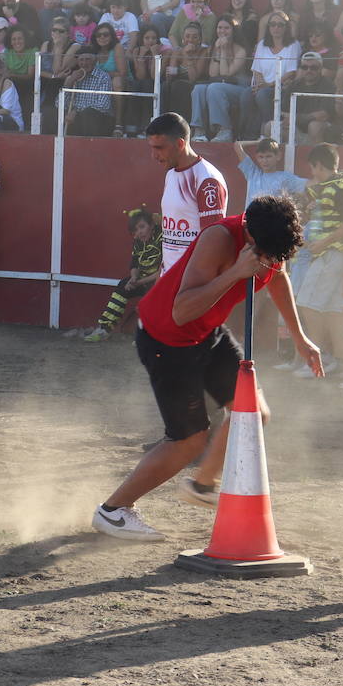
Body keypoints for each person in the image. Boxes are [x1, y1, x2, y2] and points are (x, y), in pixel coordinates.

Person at [91, 194, 321, 540]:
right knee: (189, 440)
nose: (271, 261)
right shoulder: (218, 238)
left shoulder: (269, 239)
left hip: (207, 333)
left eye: (277, 255)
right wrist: (236, 273)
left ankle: (202, 485)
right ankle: (113, 511)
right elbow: (182, 310)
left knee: (252, 412)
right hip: (166, 339)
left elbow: (276, 277)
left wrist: (300, 337)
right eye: (266, 254)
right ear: (249, 233)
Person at [292, 142, 343, 379]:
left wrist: (324, 242)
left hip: (332, 254)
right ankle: (342, 363)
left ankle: (318, 358)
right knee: (332, 309)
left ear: (318, 166)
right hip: (334, 255)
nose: (312, 173)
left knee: (307, 303)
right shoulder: (334, 188)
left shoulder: (338, 189)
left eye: (313, 168)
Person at [148, 112, 227, 273]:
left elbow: (214, 243)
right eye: (152, 148)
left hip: (192, 283)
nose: (154, 155)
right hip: (169, 278)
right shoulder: (171, 174)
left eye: (159, 148)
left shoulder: (207, 180)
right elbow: (171, 241)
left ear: (179, 144)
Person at [84, 206, 163, 343]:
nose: (139, 232)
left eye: (142, 227)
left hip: (160, 281)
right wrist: (133, 278)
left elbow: (163, 270)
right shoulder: (138, 241)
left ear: (151, 224)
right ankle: (105, 329)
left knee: (153, 296)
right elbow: (134, 264)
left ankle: (148, 336)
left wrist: (139, 282)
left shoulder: (162, 237)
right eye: (136, 230)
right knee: (122, 286)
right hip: (143, 280)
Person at [201, 17, 254, 142]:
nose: (222, 31)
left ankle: (225, 130)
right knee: (198, 89)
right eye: (220, 28)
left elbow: (226, 74)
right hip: (221, 85)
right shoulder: (216, 46)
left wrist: (223, 50)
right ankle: (199, 131)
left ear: (233, 30)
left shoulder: (241, 50)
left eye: (226, 28)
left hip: (241, 88)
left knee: (214, 88)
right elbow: (213, 74)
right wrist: (218, 51)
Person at [60, 47, 115, 137]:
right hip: (75, 119)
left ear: (95, 61)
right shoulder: (73, 77)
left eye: (88, 59)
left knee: (88, 114)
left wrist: (76, 112)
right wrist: (69, 82)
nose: (84, 63)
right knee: (50, 112)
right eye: (81, 60)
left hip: (98, 120)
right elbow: (59, 104)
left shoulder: (103, 77)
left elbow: (103, 105)